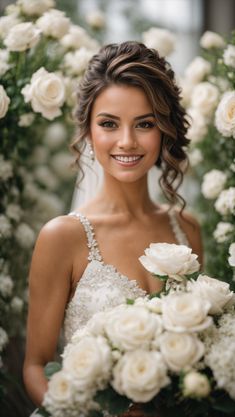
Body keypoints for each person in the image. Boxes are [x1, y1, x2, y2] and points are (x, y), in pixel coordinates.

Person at [23, 41, 203, 414]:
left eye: (145, 124)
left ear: (164, 130)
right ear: (88, 130)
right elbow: (36, 365)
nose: (127, 142)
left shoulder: (187, 229)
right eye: (109, 123)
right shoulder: (63, 237)